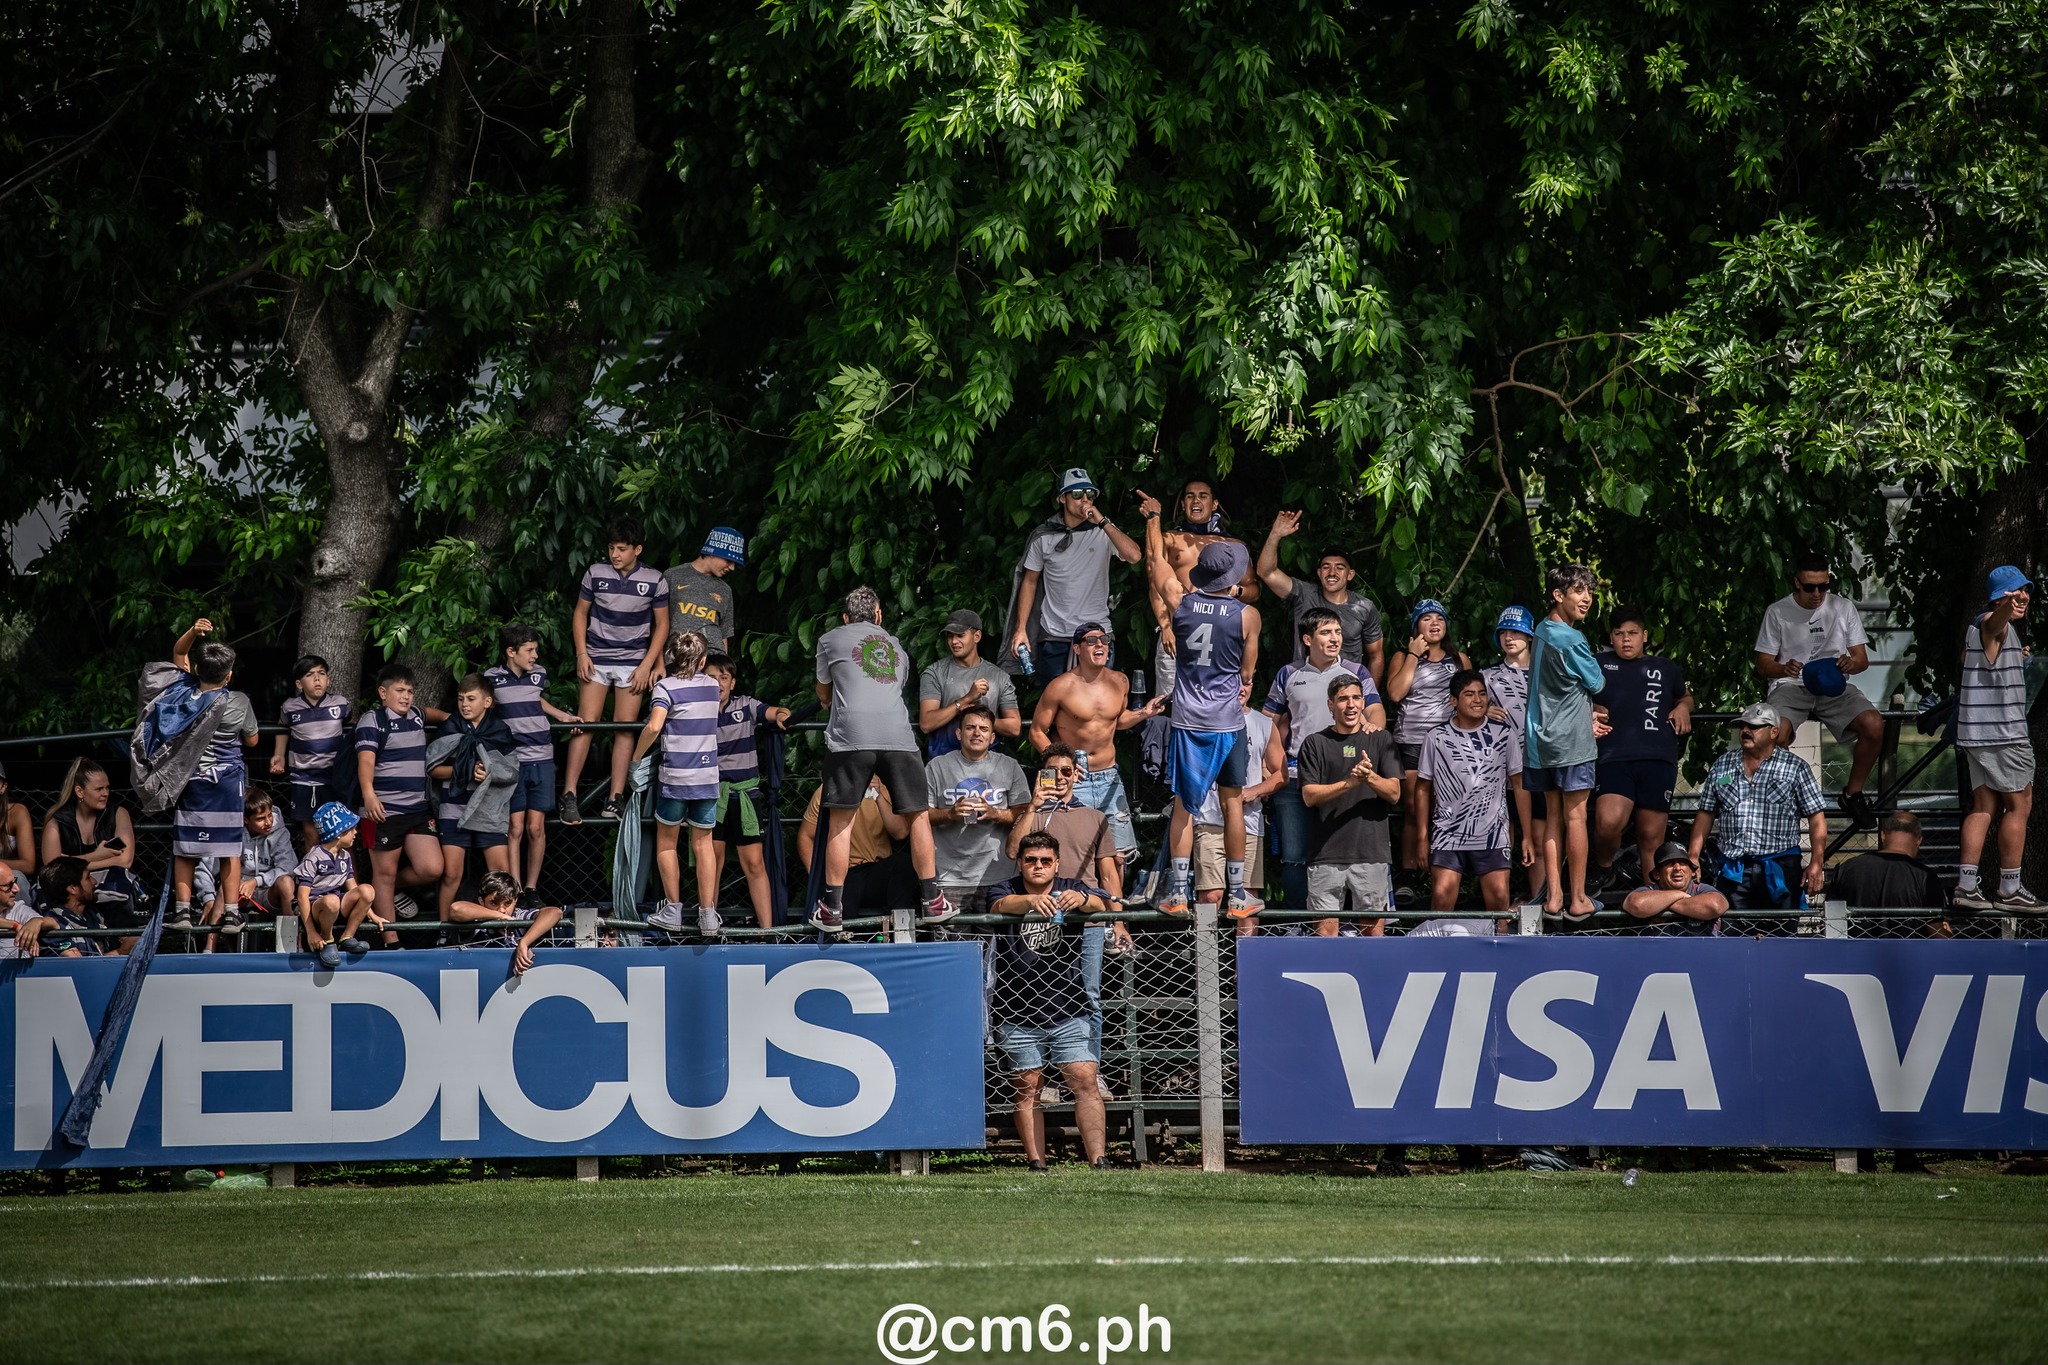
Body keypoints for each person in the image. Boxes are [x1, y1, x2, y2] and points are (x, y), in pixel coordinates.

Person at [1141, 493, 1263, 918]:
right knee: (1232, 805)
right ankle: (1238, 895)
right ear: (1231, 580)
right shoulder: (1248, 616)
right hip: (1228, 721)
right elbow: (1248, 674)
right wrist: (1242, 682)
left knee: (1183, 807)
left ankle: (1177, 892)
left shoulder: (1181, 602)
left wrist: (1154, 519)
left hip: (1188, 720)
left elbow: (1156, 563)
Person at [810, 586, 948, 932]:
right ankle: (932, 899)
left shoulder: (829, 639)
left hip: (850, 739)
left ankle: (832, 907)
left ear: (845, 618)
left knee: (841, 821)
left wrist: (828, 697)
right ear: (879, 616)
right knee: (918, 817)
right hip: (899, 738)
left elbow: (824, 692)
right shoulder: (897, 647)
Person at [985, 831, 1117, 1173]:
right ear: (1020, 863)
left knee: (1085, 1080)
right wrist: (1030, 903)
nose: (1038, 866)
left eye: (1046, 860)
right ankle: (1036, 1163)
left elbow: (1101, 905)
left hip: (1069, 1008)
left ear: (1057, 863)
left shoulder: (1071, 885)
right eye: (1031, 860)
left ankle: (1099, 1160)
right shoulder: (1006, 889)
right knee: (1027, 1090)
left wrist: (1081, 899)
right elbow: (998, 906)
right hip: (1015, 1010)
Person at [1009, 741, 1130, 1076]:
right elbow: (1011, 852)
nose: (1060, 778)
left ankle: (1091, 1074)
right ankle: (1046, 1077)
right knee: (1037, 995)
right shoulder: (1032, 815)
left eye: (1066, 771)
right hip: (1038, 922)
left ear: (1076, 774)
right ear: (1042, 774)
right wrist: (1033, 806)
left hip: (1087, 921)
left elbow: (1108, 873)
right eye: (1053, 771)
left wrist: (1118, 923)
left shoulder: (1095, 817)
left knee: (1088, 996)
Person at [1262, 607, 1380, 911]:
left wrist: (1371, 723)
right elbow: (1268, 721)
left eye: (1338, 632)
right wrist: (1266, 761)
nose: (1335, 638)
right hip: (1296, 775)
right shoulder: (1289, 674)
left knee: (1350, 855)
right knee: (1294, 857)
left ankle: (1348, 927)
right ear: (1307, 638)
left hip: (1345, 775)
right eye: (1326, 632)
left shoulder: (1356, 671)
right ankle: (1296, 926)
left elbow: (1376, 709)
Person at [1753, 549, 1884, 823]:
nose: (1817, 593)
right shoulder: (1777, 612)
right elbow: (1763, 663)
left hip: (1833, 685)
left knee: (1874, 723)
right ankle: (1787, 797)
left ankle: (1853, 794)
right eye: (1810, 587)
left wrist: (1850, 664)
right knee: (1775, 734)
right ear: (1797, 583)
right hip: (1790, 685)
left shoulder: (1842, 607)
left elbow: (1862, 660)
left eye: (1824, 587)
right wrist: (1782, 668)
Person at [562, 517, 671, 824]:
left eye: (622, 548)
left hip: (633, 662)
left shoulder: (654, 578)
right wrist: (581, 654)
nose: (615, 554)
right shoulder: (595, 573)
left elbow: (662, 624)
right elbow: (580, 614)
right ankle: (569, 795)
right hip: (595, 657)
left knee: (625, 728)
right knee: (586, 723)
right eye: (611, 547)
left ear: (638, 549)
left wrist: (647, 665)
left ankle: (615, 798)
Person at [1027, 625, 1163, 863]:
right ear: (1077, 648)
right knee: (1069, 853)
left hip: (1109, 776)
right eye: (1092, 640)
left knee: (1119, 856)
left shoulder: (1120, 681)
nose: (1100, 644)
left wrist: (1144, 712)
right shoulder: (1060, 686)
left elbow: (1118, 721)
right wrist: (1061, 767)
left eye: (1104, 639)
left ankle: (1115, 901)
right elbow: (1037, 731)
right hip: (1073, 778)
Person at [1687, 702, 1828, 921]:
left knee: (1782, 938)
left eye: (1754, 726)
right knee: (1731, 936)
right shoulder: (1722, 766)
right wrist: (1693, 856)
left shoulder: (1795, 767)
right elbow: (1706, 813)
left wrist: (1817, 863)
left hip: (1780, 868)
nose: (1746, 731)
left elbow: (1816, 817)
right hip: (1734, 869)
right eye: (1743, 725)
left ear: (1774, 732)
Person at [167, 619, 261, 934]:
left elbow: (178, 651)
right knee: (229, 848)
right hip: (227, 785)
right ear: (229, 675)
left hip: (191, 782)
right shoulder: (239, 701)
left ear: (195, 668)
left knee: (186, 848)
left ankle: (182, 913)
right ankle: (232, 914)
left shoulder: (183, 695)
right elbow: (252, 740)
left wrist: (193, 633)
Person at [1004, 469, 1144, 680]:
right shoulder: (1044, 536)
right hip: (1055, 633)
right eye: (1077, 494)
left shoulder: (1103, 531)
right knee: (1056, 703)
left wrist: (1103, 522)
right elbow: (1029, 581)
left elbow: (1134, 556)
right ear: (1062, 498)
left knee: (1096, 703)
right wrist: (1020, 629)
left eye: (1090, 494)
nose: (1085, 500)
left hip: (1096, 635)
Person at [1591, 606, 1694, 890]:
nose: (1626, 639)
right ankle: (1604, 868)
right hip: (1613, 756)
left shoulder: (1665, 667)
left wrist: (1684, 706)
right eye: (1619, 633)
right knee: (1608, 821)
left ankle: (1654, 900)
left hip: (1658, 757)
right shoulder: (1596, 663)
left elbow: (1685, 695)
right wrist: (1589, 706)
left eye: (1633, 633)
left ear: (1645, 635)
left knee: (1651, 836)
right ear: (1611, 637)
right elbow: (1572, 694)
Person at [1524, 566, 1606, 922]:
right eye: (1578, 591)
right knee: (1576, 817)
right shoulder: (1570, 638)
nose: (1586, 598)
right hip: (1571, 742)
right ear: (1558, 595)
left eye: (1589, 591)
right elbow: (1598, 681)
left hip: (1539, 741)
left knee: (1553, 817)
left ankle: (1554, 897)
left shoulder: (1541, 630)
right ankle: (1579, 898)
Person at [1953, 566, 2037, 910]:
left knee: (1984, 806)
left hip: (1976, 734)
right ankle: (2010, 887)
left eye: (2026, 591)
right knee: (2019, 805)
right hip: (2005, 734)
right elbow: (1994, 623)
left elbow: (1973, 661)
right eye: (2016, 591)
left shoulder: (1980, 631)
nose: (2023, 596)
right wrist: (2006, 605)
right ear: (2001, 596)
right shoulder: (1991, 623)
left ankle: (1966, 886)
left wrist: (2017, 657)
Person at [632, 631, 725, 936]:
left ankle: (673, 909)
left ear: (671, 657)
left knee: (667, 843)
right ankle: (708, 914)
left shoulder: (665, 687)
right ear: (702, 661)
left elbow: (655, 726)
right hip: (708, 777)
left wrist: (636, 758)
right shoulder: (713, 686)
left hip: (675, 778)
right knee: (703, 845)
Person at [485, 622, 583, 907]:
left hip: (541, 757)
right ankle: (513, 886)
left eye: (535, 650)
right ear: (510, 652)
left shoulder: (538, 675)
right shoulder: (492, 677)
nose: (535, 656)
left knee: (535, 828)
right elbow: (486, 710)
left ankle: (530, 888)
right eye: (529, 650)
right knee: (514, 827)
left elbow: (536, 701)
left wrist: (563, 716)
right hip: (512, 761)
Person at [1299, 676, 1404, 936]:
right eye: (1343, 699)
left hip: (1371, 854)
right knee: (1325, 938)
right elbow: (1309, 795)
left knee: (1372, 939)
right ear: (1330, 705)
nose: (1351, 705)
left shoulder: (1381, 740)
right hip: (1325, 855)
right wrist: (1350, 783)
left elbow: (1394, 794)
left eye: (1356, 698)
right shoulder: (1315, 743)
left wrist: (1369, 777)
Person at [1416, 670, 1525, 921]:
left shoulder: (1504, 734)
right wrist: (1422, 837)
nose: (1477, 700)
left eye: (1482, 693)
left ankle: (1499, 959)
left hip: (1493, 835)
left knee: (1499, 906)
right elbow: (1422, 788)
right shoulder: (1436, 737)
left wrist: (1526, 834)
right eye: (1469, 694)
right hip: (1447, 834)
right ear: (1453, 701)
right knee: (1441, 902)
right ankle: (1439, 959)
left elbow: (1519, 786)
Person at [1386, 598, 1472, 890]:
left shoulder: (1459, 659)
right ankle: (1409, 874)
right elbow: (1395, 693)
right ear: (1416, 626)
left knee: (1444, 807)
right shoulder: (1402, 655)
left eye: (1439, 618)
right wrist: (1413, 655)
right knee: (1412, 806)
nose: (1434, 623)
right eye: (1426, 618)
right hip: (1411, 741)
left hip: (1449, 743)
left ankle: (1443, 873)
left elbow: (1471, 699)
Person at [355, 662, 445, 942]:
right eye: (400, 691)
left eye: (410, 691)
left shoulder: (417, 715)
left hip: (417, 808)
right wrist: (369, 795)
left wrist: (467, 719)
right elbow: (366, 761)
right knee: (385, 874)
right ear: (383, 693)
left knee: (432, 868)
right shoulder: (373, 720)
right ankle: (391, 943)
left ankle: (387, 891)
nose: (406, 696)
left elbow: (441, 716)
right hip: (383, 810)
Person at [1147, 477, 1260, 696]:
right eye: (1190, 496)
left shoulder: (1234, 546)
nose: (1195, 500)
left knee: (1217, 696)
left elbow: (1253, 589)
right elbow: (1156, 580)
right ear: (1182, 504)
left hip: (1221, 630)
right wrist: (1165, 626)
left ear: (1214, 504)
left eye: (1202, 496)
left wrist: (1235, 591)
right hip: (1177, 627)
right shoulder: (1170, 538)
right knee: (1170, 700)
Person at [706, 652, 790, 929]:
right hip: (710, 796)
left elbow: (771, 711)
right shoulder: (695, 711)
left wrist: (781, 713)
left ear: (732, 683)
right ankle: (709, 927)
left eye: (723, 677)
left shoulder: (746, 705)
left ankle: (768, 932)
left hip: (746, 796)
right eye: (710, 677)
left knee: (754, 864)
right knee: (712, 865)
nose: (717, 683)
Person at [427, 673, 520, 920]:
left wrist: (488, 772)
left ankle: (505, 925)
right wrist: (467, 771)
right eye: (460, 699)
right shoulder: (450, 727)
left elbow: (511, 771)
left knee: (502, 872)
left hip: (489, 809)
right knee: (451, 874)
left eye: (471, 698)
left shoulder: (500, 730)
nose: (465, 704)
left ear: (487, 702)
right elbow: (433, 768)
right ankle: (444, 931)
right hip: (453, 807)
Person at [1257, 510, 1386, 685]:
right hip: (1304, 686)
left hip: (1346, 693)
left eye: (1339, 567)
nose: (1332, 572)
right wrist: (1275, 535)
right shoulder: (1303, 593)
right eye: (1326, 567)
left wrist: (1369, 698)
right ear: (1319, 573)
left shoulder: (1364, 607)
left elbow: (1376, 655)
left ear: (1350, 575)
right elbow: (1266, 572)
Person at [925, 705, 1031, 915]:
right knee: (952, 946)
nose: (976, 733)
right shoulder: (937, 767)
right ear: (959, 733)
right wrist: (950, 813)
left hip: (999, 876)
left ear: (992, 737)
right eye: (970, 727)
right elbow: (919, 817)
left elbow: (1026, 813)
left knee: (996, 945)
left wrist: (996, 813)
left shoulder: (1009, 766)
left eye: (983, 729)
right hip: (949, 876)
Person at [1196, 703, 1285, 936]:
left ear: (1251, 682)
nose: (1240, 688)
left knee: (1247, 899)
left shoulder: (1264, 724)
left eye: (1245, 682)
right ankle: (1207, 968)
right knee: (1209, 896)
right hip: (1209, 818)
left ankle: (1244, 972)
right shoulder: (1202, 715)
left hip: (1249, 822)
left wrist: (1253, 791)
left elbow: (1281, 773)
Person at [37, 759, 141, 938]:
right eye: (99, 789)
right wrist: (97, 855)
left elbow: (125, 860)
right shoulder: (57, 820)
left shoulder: (118, 813)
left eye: (107, 788)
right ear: (79, 792)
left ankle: (122, 941)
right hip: (70, 881)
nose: (105, 793)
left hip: (106, 877)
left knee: (121, 881)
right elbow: (52, 868)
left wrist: (73, 860)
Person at [1483, 606, 1541, 898]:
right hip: (1500, 772)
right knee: (1504, 839)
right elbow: (1459, 710)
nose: (1509, 637)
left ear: (1529, 636)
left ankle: (1543, 906)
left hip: (1542, 764)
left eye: (1516, 631)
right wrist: (1482, 710)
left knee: (1541, 839)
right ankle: (1502, 913)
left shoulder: (1547, 672)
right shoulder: (1487, 676)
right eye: (1504, 632)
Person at [270, 654, 353, 848]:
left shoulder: (340, 703)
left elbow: (350, 725)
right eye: (310, 674)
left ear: (328, 679)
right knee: (311, 834)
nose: (317, 679)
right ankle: (311, 877)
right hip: (305, 777)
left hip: (335, 777)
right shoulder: (290, 707)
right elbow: (282, 728)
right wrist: (279, 755)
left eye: (321, 673)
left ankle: (347, 878)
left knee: (342, 833)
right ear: (299, 683)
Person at [797, 779, 913, 914]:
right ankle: (840, 930)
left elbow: (900, 832)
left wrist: (878, 796)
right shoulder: (829, 789)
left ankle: (899, 927)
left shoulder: (885, 789)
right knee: (842, 900)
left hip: (877, 871)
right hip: (845, 874)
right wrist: (819, 878)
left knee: (904, 863)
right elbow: (805, 837)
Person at [919, 609, 1023, 757]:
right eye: (950, 636)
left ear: (977, 636)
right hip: (944, 760)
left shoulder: (999, 677)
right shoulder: (934, 673)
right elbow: (926, 724)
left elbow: (1014, 727)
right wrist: (965, 701)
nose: (954, 642)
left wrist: (979, 716)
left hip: (987, 763)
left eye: (960, 635)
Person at [292, 802, 381, 968]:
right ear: (339, 833)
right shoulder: (314, 857)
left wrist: (372, 914)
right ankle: (327, 938)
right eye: (352, 828)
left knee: (367, 890)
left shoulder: (345, 856)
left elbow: (354, 889)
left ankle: (347, 937)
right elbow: (302, 896)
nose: (356, 832)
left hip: (336, 906)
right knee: (331, 901)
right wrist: (311, 932)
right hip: (316, 908)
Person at [1833, 810, 1951, 934]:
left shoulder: (1847, 868)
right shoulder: (1925, 877)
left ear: (1883, 835)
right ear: (1919, 840)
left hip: (1855, 951)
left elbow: (1832, 921)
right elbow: (1936, 933)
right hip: (1908, 951)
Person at [448, 869, 564, 976]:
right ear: (481, 901)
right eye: (494, 903)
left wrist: (524, 942)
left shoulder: (519, 915)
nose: (502, 909)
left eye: (507, 903)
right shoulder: (476, 920)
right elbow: (456, 909)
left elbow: (554, 912)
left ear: (515, 900)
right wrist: (500, 916)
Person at [665, 526, 746, 655]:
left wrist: (723, 669)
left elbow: (724, 634)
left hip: (712, 662)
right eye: (729, 560)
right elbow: (658, 623)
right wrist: (657, 663)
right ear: (712, 552)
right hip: (676, 659)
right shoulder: (673, 576)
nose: (732, 567)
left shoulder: (725, 590)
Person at [230, 786, 300, 934]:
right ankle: (209, 950)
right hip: (239, 892)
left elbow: (288, 866)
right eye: (261, 819)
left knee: (286, 882)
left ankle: (291, 941)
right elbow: (211, 868)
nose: (268, 822)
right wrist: (208, 897)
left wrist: (256, 881)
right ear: (246, 820)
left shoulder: (279, 833)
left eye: (270, 815)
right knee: (225, 886)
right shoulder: (233, 833)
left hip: (269, 892)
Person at [1622, 843, 1729, 935]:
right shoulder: (1650, 890)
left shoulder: (1701, 889)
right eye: (1669, 863)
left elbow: (1715, 906)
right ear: (1657, 874)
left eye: (1683, 863)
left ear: (1692, 871)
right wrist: (1681, 895)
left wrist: (1663, 905)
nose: (1677, 868)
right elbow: (1636, 904)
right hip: (1656, 956)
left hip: (1700, 954)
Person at [31, 857, 102, 957]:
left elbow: (103, 958)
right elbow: (81, 966)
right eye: (88, 877)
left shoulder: (93, 915)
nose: (94, 881)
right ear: (72, 888)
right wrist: (122, 950)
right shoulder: (53, 926)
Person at [0, 863, 59, 959]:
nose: (16, 889)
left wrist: (37, 922)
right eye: (9, 885)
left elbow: (54, 924)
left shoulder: (17, 908)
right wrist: (15, 925)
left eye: (15, 882)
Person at [0, 760, 36, 876]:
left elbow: (28, 865)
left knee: (17, 876)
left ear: (3, 787)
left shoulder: (16, 812)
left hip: (7, 877)